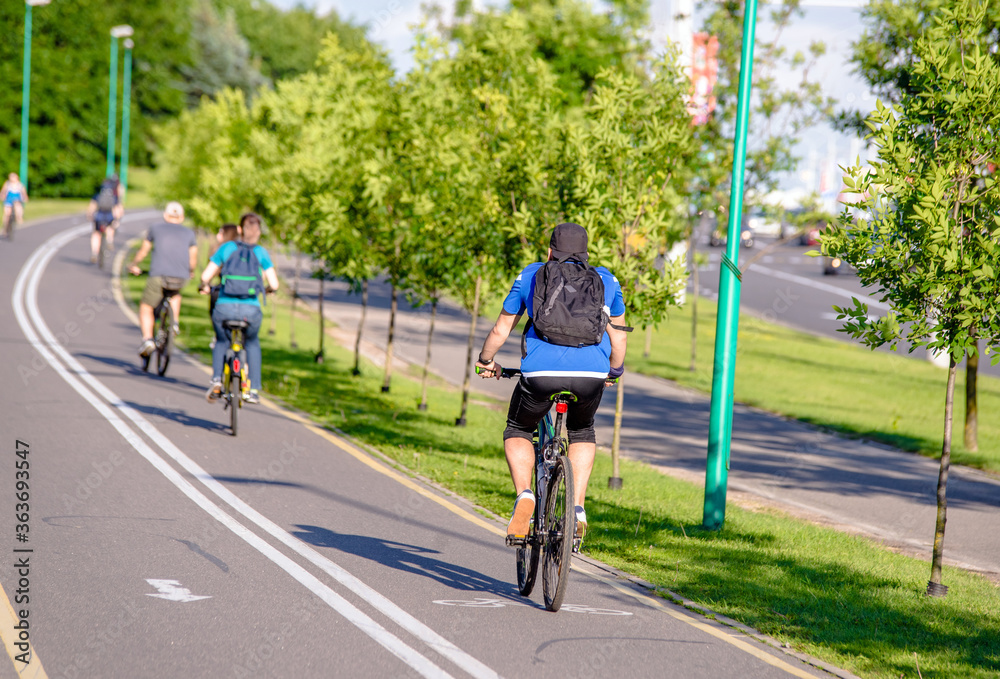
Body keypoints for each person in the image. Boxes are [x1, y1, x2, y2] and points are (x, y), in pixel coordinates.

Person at [476, 222, 628, 543]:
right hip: (591, 376)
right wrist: (613, 372)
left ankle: (525, 495)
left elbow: (501, 330)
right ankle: (577, 509)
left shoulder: (531, 275)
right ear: (587, 254)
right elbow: (619, 338)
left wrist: (486, 361)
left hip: (540, 375)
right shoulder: (607, 280)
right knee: (582, 431)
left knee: (518, 429)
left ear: (549, 251)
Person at [199, 212, 278, 405]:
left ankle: (216, 380)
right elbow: (274, 284)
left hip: (224, 307)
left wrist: (205, 286)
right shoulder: (261, 252)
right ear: (259, 232)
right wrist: (267, 290)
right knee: (252, 343)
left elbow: (206, 276)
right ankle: (253, 389)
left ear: (240, 229)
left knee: (221, 341)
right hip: (250, 310)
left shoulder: (227, 248)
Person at [127, 202, 197, 357]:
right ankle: (174, 323)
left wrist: (133, 265)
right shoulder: (189, 233)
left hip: (159, 275)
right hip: (181, 276)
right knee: (175, 293)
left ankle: (147, 340)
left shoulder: (155, 228)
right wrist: (191, 271)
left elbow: (144, 251)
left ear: (166, 215)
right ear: (182, 217)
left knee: (146, 307)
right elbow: (193, 258)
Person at [87, 175, 125, 262]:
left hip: (99, 216)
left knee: (96, 234)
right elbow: (117, 209)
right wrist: (117, 220)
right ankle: (109, 241)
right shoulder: (114, 196)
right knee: (110, 227)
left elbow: (92, 207)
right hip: (109, 216)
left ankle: (94, 253)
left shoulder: (98, 195)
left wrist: (89, 215)